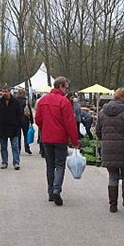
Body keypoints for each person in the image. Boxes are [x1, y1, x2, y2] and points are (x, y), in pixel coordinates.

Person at [35, 77, 79, 206]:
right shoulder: (64, 102)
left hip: (47, 138)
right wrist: (75, 141)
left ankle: (50, 191)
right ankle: (56, 189)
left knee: (50, 165)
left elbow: (37, 120)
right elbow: (70, 123)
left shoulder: (43, 100)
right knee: (60, 165)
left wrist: (45, 127)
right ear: (60, 86)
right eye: (66, 87)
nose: (67, 90)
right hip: (60, 138)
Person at [0, 86, 22, 169]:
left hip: (14, 127)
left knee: (15, 146)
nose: (4, 93)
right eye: (3, 92)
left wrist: (18, 124)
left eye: (6, 91)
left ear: (9, 92)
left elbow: (20, 114)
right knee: (3, 147)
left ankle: (16, 162)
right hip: (2, 127)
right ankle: (4, 162)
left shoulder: (16, 102)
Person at [15, 88, 33, 154]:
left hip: (17, 120)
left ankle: (18, 148)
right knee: (26, 135)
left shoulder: (15, 101)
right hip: (25, 120)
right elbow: (30, 111)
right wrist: (31, 120)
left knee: (18, 136)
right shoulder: (26, 101)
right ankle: (27, 147)